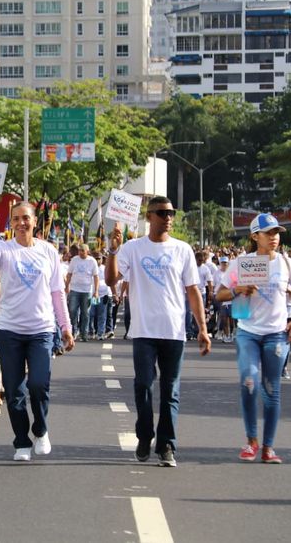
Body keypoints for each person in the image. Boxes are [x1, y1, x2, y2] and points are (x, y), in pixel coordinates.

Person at [104, 196, 211, 468]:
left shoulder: (183, 249)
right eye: (162, 212)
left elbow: (193, 291)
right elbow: (110, 280)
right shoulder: (133, 248)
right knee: (143, 384)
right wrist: (113, 251)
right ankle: (144, 435)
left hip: (174, 331)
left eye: (171, 212)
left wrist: (202, 328)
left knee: (170, 390)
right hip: (143, 330)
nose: (168, 217)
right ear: (149, 216)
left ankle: (166, 445)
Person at [0, 194, 74, 462]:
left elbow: (57, 292)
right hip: (9, 330)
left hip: (42, 330)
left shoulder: (48, 252)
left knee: (39, 385)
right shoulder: (4, 249)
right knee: (14, 389)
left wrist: (65, 326)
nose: (21, 223)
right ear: (11, 223)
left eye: (26, 218)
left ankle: (40, 430)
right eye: (16, 219)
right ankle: (21, 441)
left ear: (35, 222)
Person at [215, 214, 291, 464]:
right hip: (248, 333)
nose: (274, 237)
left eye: (277, 232)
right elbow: (219, 294)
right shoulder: (241, 263)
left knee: (271, 390)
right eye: (269, 233)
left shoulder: (287, 264)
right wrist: (238, 290)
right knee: (249, 382)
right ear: (255, 236)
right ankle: (251, 441)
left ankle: (268, 448)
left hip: (276, 335)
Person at [66, 243, 99, 341]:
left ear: (87, 252)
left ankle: (84, 334)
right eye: (79, 251)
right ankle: (73, 332)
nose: (80, 253)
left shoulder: (92, 261)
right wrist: (67, 285)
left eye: (82, 251)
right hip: (74, 290)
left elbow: (96, 277)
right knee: (72, 311)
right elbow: (69, 274)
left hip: (86, 291)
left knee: (85, 313)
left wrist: (96, 291)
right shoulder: (74, 260)